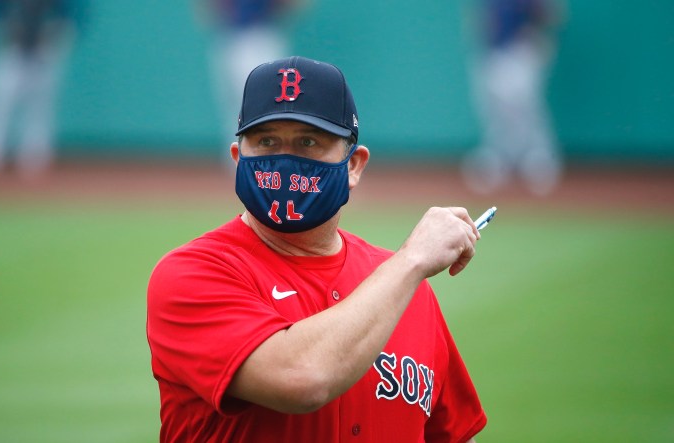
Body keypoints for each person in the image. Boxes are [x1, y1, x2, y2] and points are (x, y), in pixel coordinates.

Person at [147, 56, 487, 442]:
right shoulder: (191, 275)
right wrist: (411, 261)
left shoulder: (407, 288)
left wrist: (407, 269)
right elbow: (301, 379)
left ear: (354, 165)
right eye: (267, 141)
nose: (287, 159)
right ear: (238, 159)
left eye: (309, 142)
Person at [0, 0, 81, 181]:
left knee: (39, 112)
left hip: (44, 51)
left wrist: (58, 34)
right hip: (10, 51)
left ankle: (34, 168)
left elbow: (74, 14)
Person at [461, 0, 564, 195]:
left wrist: (536, 32)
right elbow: (480, 18)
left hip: (520, 51)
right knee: (496, 110)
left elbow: (553, 14)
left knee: (524, 109)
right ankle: (498, 160)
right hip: (493, 51)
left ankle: (538, 161)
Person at [194, 0, 308, 162]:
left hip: (261, 36)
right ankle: (241, 158)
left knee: (266, 101)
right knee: (235, 103)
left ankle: (271, 154)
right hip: (232, 35)